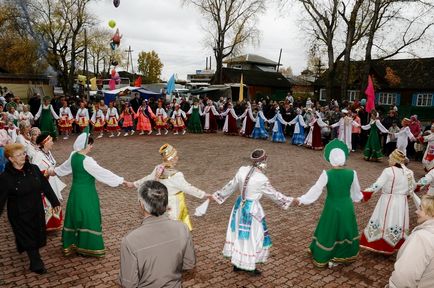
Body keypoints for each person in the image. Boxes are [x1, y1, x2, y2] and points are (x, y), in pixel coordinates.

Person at [212, 149, 293, 275]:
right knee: (253, 236)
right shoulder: (262, 179)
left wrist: (218, 195)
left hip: (239, 207)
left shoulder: (242, 170)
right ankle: (248, 264)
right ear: (263, 162)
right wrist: (289, 200)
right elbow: (274, 195)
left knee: (239, 234)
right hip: (252, 211)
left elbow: (231, 185)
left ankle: (238, 263)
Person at [52, 131, 133, 256]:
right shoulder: (86, 161)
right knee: (89, 217)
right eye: (90, 144)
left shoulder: (74, 155)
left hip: (75, 193)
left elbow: (62, 169)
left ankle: (73, 243)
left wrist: (51, 171)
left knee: (76, 215)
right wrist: (122, 181)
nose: (91, 147)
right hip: (87, 193)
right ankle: (88, 247)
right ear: (85, 145)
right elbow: (103, 173)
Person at [294, 139, 363, 268]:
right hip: (347, 206)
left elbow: (316, 190)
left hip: (331, 206)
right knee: (345, 229)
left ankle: (326, 254)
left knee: (329, 229)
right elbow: (356, 193)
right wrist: (360, 197)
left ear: (330, 158)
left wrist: (302, 199)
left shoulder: (327, 174)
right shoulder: (352, 173)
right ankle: (345, 254)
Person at [119, 180, 196, 288]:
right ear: (166, 202)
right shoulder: (182, 228)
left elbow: (129, 283)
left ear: (141, 204)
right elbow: (189, 265)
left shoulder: (130, 241)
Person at [0, 143, 61, 274]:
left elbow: (45, 186)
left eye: (23, 153)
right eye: (19, 155)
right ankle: (36, 263)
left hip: (36, 209)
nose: (23, 156)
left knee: (37, 235)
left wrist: (55, 202)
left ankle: (28, 250)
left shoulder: (33, 169)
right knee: (28, 237)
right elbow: (0, 200)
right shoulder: (5, 178)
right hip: (19, 214)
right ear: (11, 159)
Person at [133, 144, 209, 231]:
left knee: (164, 220)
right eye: (175, 156)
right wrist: (204, 194)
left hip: (161, 201)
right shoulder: (176, 174)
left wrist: (134, 184)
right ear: (171, 158)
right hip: (174, 202)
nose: (177, 157)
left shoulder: (159, 168)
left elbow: (148, 178)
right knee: (175, 222)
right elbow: (188, 188)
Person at [360, 149, 419, 254]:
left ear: (394, 159)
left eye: (390, 158)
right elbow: (413, 187)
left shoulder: (388, 171)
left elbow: (377, 185)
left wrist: (365, 194)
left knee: (384, 220)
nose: (388, 160)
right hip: (402, 202)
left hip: (388, 200)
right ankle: (396, 244)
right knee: (398, 221)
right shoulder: (409, 172)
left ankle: (382, 245)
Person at [388, 195, 434, 288]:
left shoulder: (422, 238)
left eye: (420, 209)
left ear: (431, 213)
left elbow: (404, 277)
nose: (416, 211)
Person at [32, 133, 66, 231]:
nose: (52, 142)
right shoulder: (38, 155)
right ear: (45, 142)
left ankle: (53, 224)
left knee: (53, 201)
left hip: (52, 182)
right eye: (50, 140)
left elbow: (52, 164)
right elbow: (35, 172)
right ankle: (45, 225)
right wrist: (47, 173)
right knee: (47, 204)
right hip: (44, 184)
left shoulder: (48, 152)